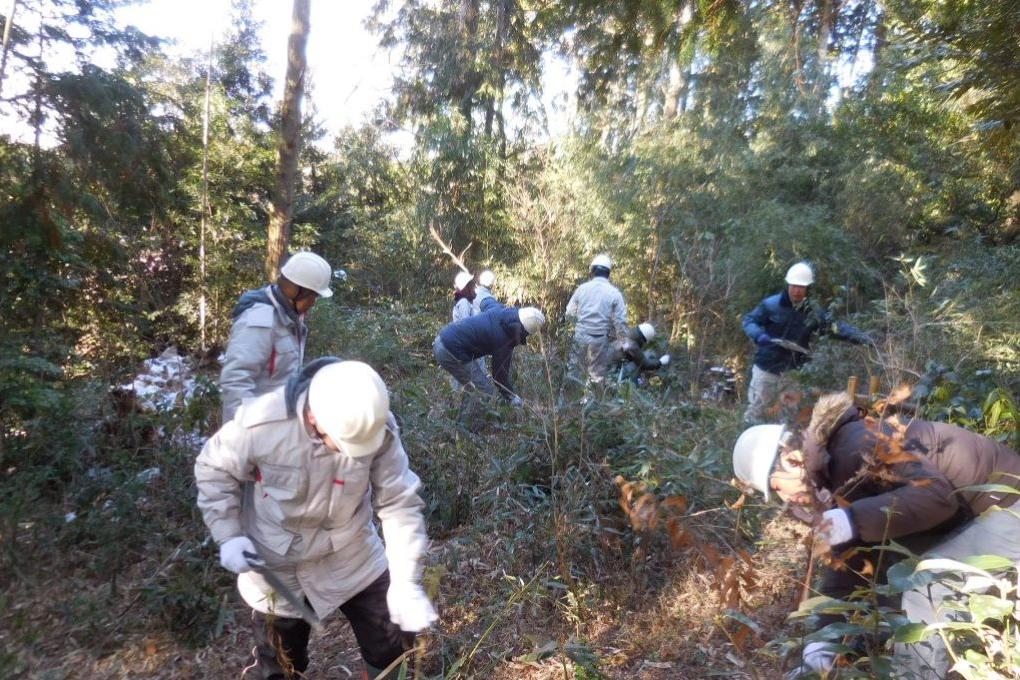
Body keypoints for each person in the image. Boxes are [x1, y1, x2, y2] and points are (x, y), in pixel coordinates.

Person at [732, 392, 1020, 678]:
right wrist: (821, 647)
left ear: (791, 459)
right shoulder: (835, 472)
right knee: (893, 587)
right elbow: (850, 568)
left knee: (925, 587)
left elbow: (936, 497)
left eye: (778, 489)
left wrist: (851, 519)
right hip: (984, 516)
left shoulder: (856, 444)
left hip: (1010, 506)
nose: (786, 500)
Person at [195, 359, 437, 680]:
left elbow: (399, 503)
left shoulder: (376, 422)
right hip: (277, 565)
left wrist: (405, 581)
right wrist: (229, 534)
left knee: (393, 649)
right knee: (279, 666)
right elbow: (213, 468)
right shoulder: (261, 423)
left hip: (351, 551)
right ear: (313, 417)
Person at [741, 261, 870, 424]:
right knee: (756, 411)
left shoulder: (813, 312)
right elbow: (749, 321)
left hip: (792, 373)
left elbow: (833, 328)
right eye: (794, 286)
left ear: (807, 288)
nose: (797, 291)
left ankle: (783, 447)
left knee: (788, 415)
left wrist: (863, 338)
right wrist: (759, 335)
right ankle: (747, 443)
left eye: (801, 287)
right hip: (766, 368)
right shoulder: (771, 305)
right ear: (788, 284)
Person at [219, 251, 333, 422]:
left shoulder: (289, 319)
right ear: (295, 291)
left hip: (277, 424)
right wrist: (243, 434)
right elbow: (236, 381)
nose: (313, 303)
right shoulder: (261, 320)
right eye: (312, 296)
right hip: (256, 430)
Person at [433, 305, 545, 421]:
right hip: (450, 350)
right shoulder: (504, 339)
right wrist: (512, 398)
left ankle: (462, 425)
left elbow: (486, 302)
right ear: (523, 331)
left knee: (473, 387)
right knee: (484, 391)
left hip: (443, 340)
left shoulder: (501, 311)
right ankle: (467, 432)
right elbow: (499, 378)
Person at [564, 254, 628, 385]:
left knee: (574, 372)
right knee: (596, 376)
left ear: (592, 271)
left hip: (580, 335)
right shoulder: (614, 293)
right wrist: (622, 341)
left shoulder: (582, 289)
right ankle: (591, 402)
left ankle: (570, 401)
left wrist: (579, 324)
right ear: (608, 273)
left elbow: (569, 314)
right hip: (599, 339)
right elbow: (620, 321)